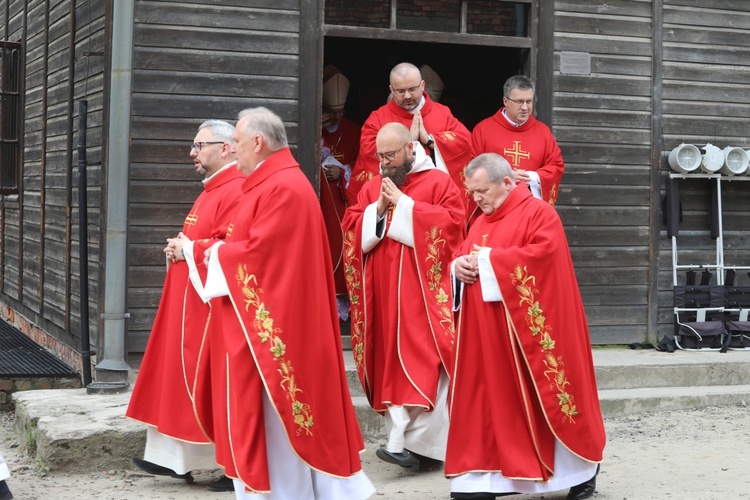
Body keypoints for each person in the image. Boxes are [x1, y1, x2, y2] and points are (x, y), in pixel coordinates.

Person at [175, 107, 375, 499]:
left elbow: (260, 258)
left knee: (280, 424)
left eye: (235, 142)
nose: (232, 150)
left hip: (280, 330)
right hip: (265, 323)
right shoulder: (268, 182)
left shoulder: (283, 187)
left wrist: (198, 251)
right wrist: (210, 249)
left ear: (257, 142)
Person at [447, 153, 605, 500]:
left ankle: (578, 472)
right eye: (472, 193)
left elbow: (544, 260)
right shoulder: (480, 220)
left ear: (507, 182)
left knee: (540, 398)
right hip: (485, 337)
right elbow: (462, 251)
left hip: (524, 338)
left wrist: (487, 262)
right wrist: (458, 267)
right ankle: (484, 479)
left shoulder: (539, 214)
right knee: (487, 403)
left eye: (482, 191)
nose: (477, 200)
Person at [125, 120, 245, 492]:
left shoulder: (236, 189)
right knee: (178, 381)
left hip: (210, 312)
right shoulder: (211, 190)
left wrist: (188, 250)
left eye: (199, 145)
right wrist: (181, 246)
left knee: (208, 384)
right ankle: (173, 460)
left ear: (225, 148)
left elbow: (236, 250)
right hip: (188, 305)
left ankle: (230, 466)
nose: (192, 152)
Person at [343, 122, 466, 471]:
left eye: (391, 155)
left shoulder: (440, 182)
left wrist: (407, 206)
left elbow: (454, 228)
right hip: (383, 296)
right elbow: (351, 227)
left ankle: (424, 446)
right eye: (379, 156)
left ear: (411, 149)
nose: (384, 163)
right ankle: (402, 442)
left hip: (423, 297)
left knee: (422, 363)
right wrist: (377, 210)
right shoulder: (373, 187)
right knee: (388, 363)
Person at [348, 62, 472, 220]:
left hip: (431, 198)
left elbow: (465, 141)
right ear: (391, 90)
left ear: (422, 85)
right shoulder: (378, 118)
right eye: (400, 91)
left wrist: (431, 140)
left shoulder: (442, 113)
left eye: (412, 89)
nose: (407, 96)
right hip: (392, 199)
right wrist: (408, 140)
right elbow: (369, 151)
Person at [470, 75, 564, 218]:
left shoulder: (543, 132)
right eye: (519, 101)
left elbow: (556, 166)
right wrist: (503, 176)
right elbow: (471, 168)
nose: (525, 107)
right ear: (505, 101)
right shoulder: (483, 130)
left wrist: (532, 177)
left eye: (529, 101)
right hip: (494, 212)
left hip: (529, 212)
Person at [321, 68, 361, 320]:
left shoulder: (355, 129)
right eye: (331, 112)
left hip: (345, 198)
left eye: (340, 112)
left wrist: (343, 171)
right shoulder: (318, 127)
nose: (336, 117)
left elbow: (362, 166)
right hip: (323, 201)